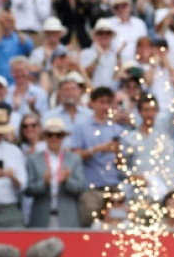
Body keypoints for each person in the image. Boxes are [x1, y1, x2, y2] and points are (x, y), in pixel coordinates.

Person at [69, 86, 127, 227]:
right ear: (92, 103)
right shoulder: (81, 127)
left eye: (108, 102)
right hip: (91, 189)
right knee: (89, 228)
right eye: (101, 102)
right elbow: (74, 157)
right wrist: (97, 149)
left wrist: (118, 154)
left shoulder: (118, 129)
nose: (105, 106)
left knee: (117, 227)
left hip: (113, 188)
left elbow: (122, 164)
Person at [26, 118, 86, 228]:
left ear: (63, 137)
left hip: (67, 217)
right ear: (44, 137)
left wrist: (67, 181)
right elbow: (27, 190)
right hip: (41, 217)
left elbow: (80, 188)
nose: (54, 138)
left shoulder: (74, 159)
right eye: (50, 135)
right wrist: (43, 183)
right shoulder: (34, 160)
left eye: (58, 135)